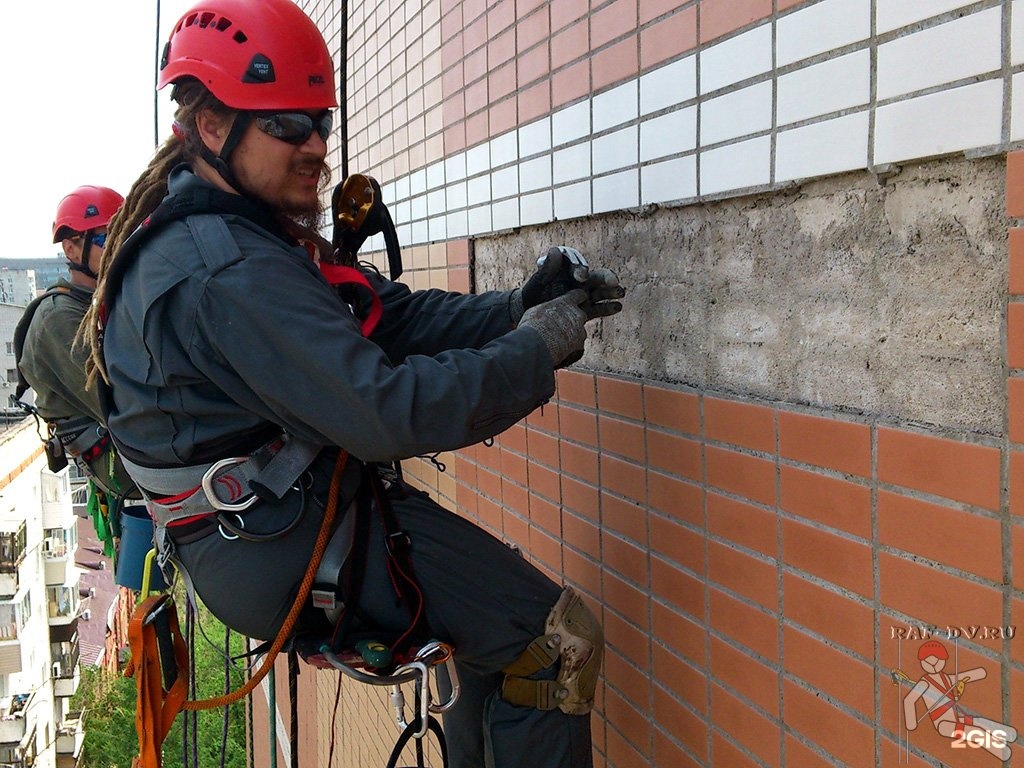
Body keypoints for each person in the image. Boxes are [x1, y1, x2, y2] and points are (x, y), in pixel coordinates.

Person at [85, 1, 625, 766]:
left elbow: (385, 316)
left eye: (320, 123)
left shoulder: (239, 231)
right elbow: (388, 408)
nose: (314, 145)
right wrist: (535, 351)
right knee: (555, 641)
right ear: (212, 126)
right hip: (278, 533)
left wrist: (515, 309)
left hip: (270, 519)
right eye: (287, 125)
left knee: (507, 641)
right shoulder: (225, 267)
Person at [17, 186, 139, 551]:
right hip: (125, 466)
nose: (119, 247)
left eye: (124, 234)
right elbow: (126, 404)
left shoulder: (100, 303)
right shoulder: (59, 319)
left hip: (137, 457)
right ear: (71, 248)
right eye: (107, 237)